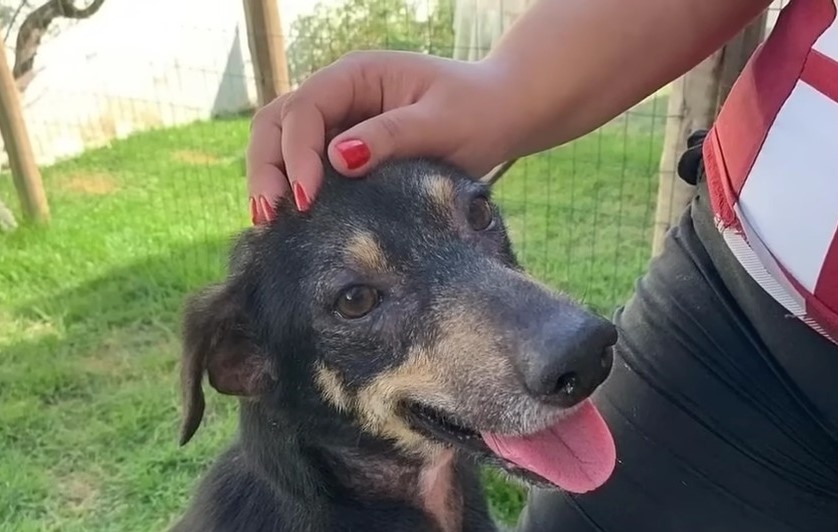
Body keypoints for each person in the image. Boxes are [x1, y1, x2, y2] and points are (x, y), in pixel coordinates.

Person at [245, 0, 838, 529]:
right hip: (741, 286)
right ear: (245, 363)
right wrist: (503, 87)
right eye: (358, 299)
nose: (560, 335)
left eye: (476, 217)